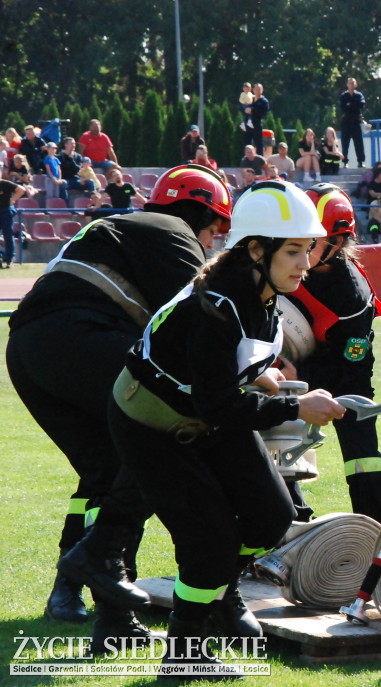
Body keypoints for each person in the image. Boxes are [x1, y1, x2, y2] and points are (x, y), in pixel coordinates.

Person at [97, 180, 343, 672]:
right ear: (256, 249)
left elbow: (231, 379)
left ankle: (217, 594)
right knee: (210, 542)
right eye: (293, 251)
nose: (306, 263)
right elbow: (220, 409)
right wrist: (297, 408)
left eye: (307, 249)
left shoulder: (260, 291)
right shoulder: (218, 304)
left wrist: (264, 376)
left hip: (200, 416)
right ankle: (186, 654)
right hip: (152, 425)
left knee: (270, 518)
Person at [7, 165, 230, 646]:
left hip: (28, 352)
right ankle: (98, 570)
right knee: (163, 437)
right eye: (215, 229)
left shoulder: (123, 228)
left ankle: (82, 599)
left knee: (108, 470)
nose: (213, 242)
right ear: (199, 214)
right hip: (81, 337)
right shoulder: (173, 233)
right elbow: (206, 319)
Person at [282, 184, 381, 523]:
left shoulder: (353, 300)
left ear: (337, 243)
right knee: (277, 445)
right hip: (285, 367)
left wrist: (300, 377)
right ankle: (290, 523)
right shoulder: (284, 264)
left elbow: (350, 366)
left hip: (346, 372)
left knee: (363, 454)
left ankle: (375, 529)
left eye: (310, 242)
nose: (299, 250)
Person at [338, 77, 366, 168]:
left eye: (353, 83)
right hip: (346, 121)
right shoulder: (343, 95)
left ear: (356, 84)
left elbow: (361, 105)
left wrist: (350, 104)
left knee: (358, 143)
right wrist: (354, 105)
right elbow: (343, 107)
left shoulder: (359, 95)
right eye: (350, 83)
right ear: (347, 84)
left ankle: (360, 162)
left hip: (356, 121)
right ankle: (345, 162)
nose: (351, 85)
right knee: (345, 143)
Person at [1, 172, 26, 268]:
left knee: (8, 234)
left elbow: (21, 190)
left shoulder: (5, 184)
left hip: (5, 211)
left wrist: (12, 199)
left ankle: (9, 258)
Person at [243, 83, 270, 152]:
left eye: (259, 89)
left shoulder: (264, 101)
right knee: (247, 144)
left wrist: (252, 110)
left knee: (259, 144)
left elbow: (263, 113)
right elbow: (242, 106)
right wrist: (245, 109)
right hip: (247, 124)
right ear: (253, 90)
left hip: (256, 125)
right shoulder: (250, 98)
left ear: (262, 90)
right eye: (256, 89)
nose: (258, 91)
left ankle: (260, 160)